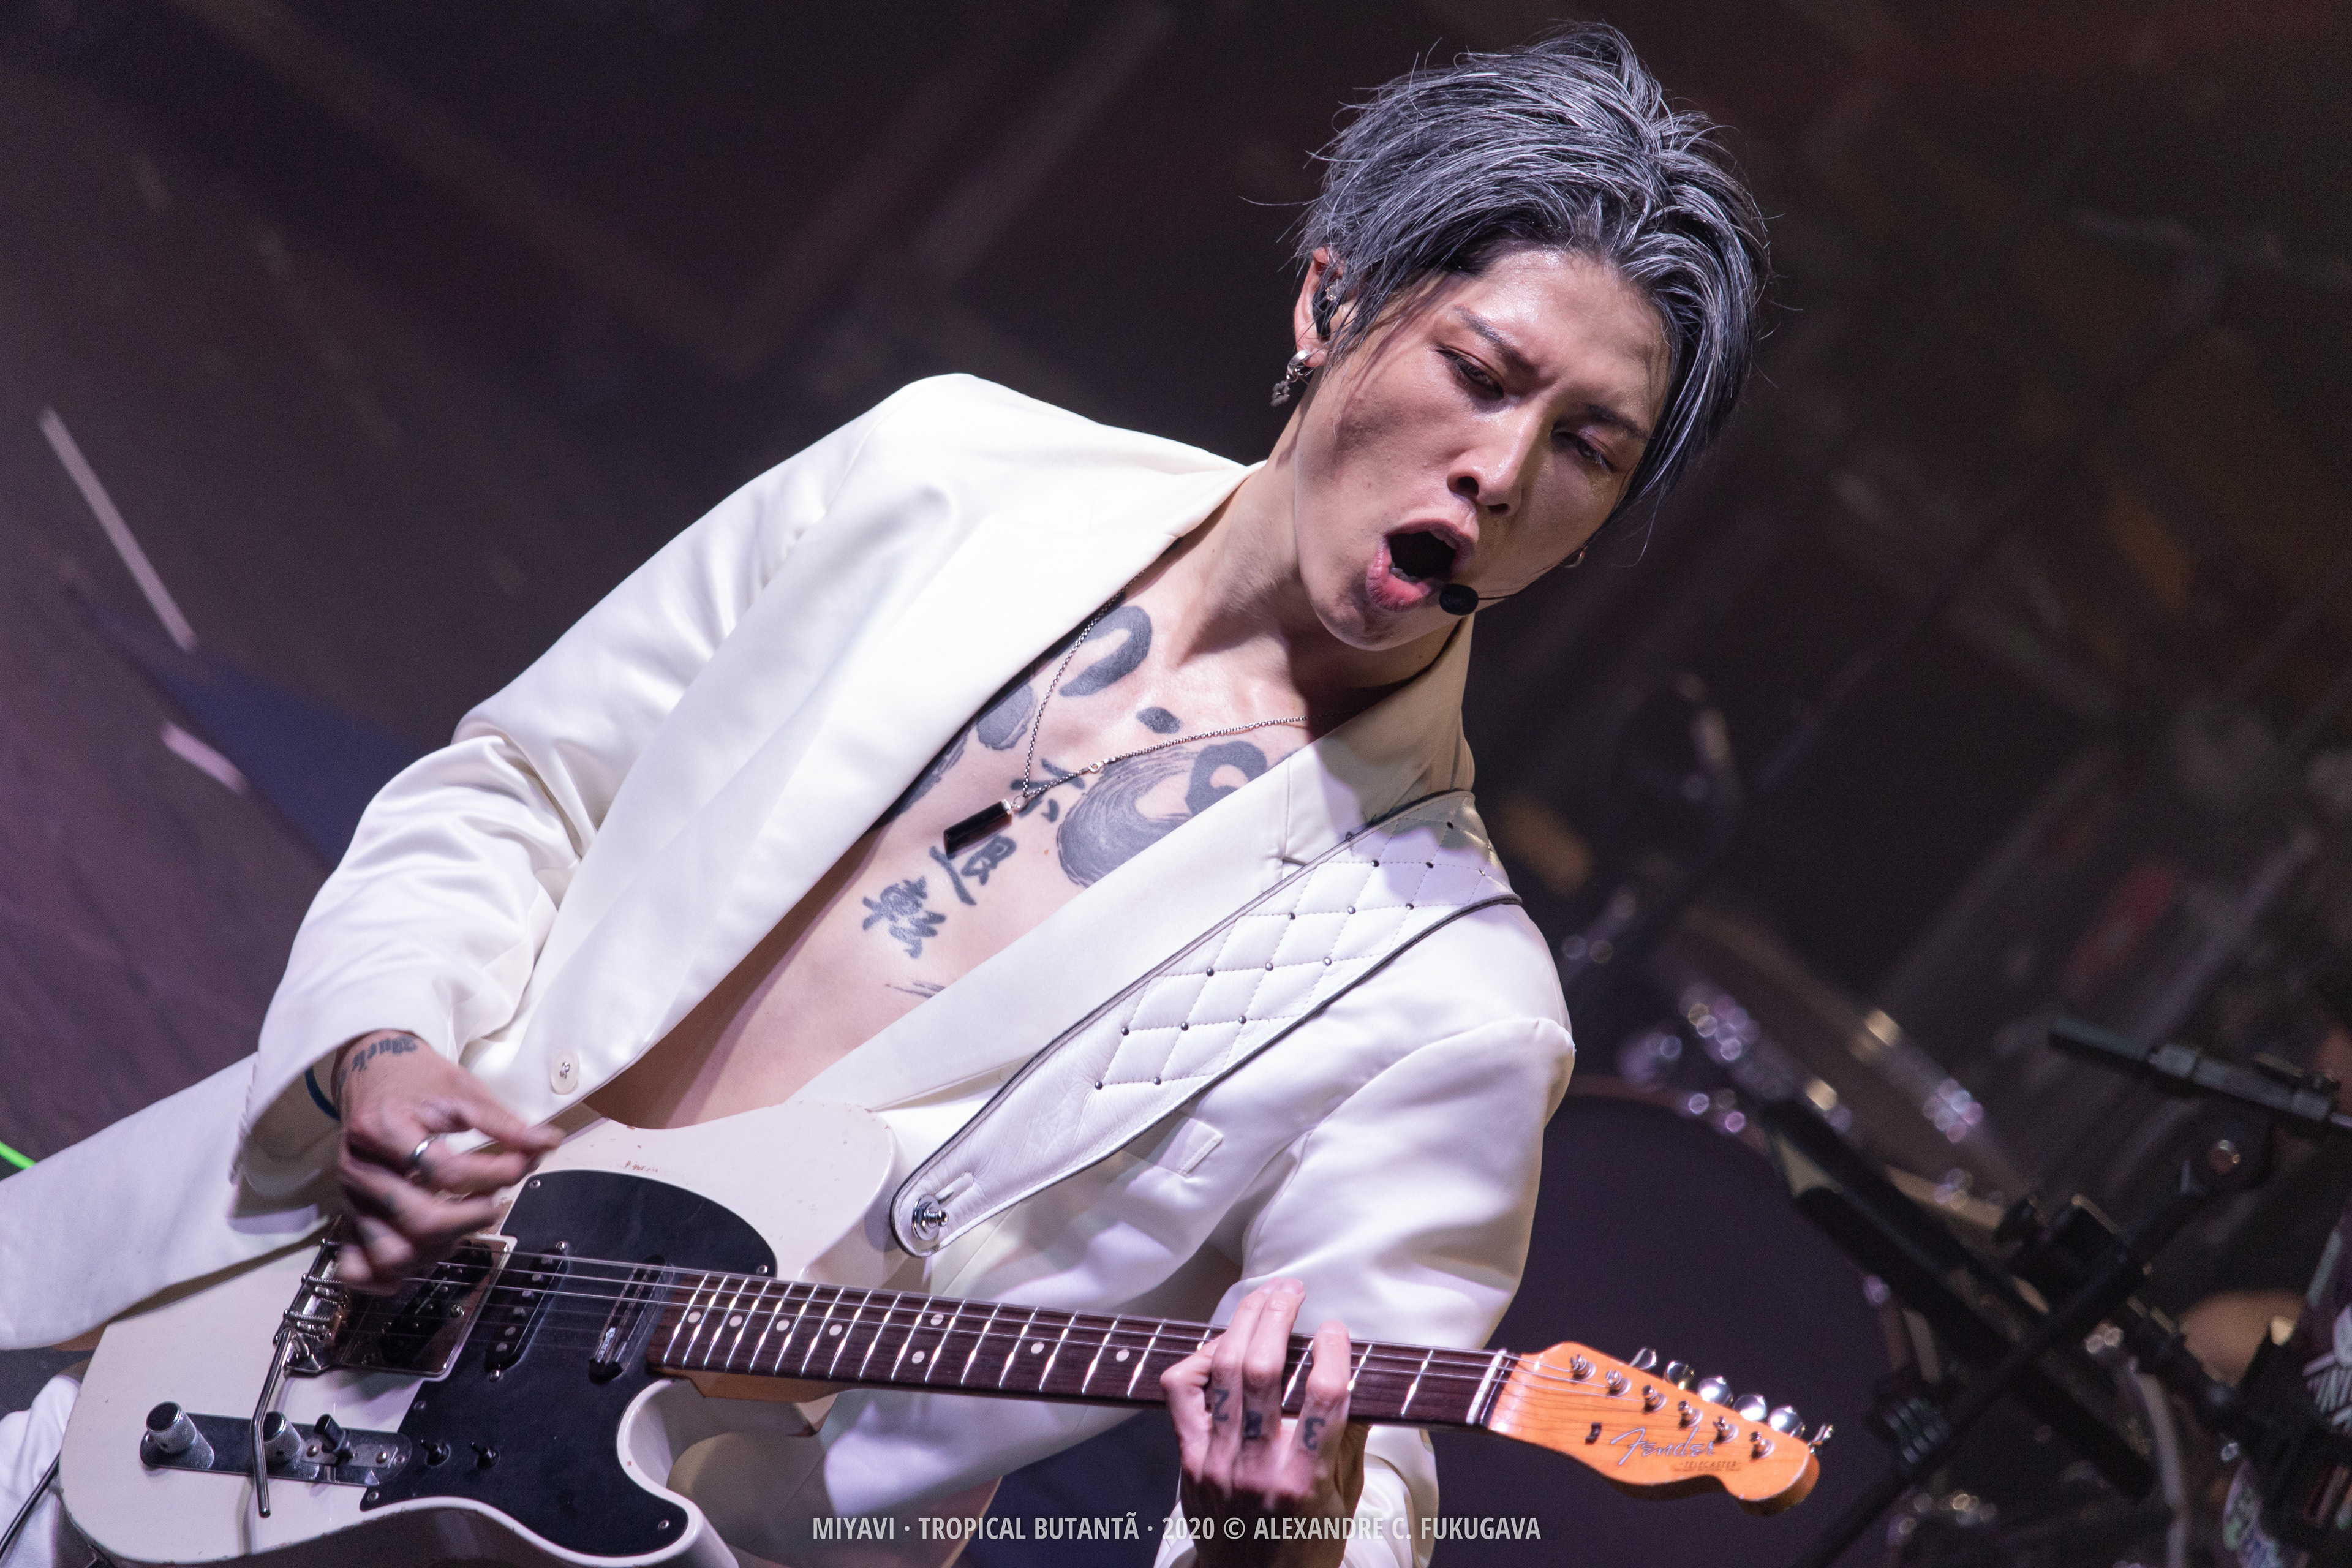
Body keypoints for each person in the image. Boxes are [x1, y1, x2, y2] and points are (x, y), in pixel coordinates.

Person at [0, 24, 1765, 1567]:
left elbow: (1374, 1498)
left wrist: (1275, 1532)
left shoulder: (1446, 996)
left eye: (1586, 448)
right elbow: (519, 785)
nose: (1501, 471)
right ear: (1332, 303)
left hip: (638, 1522)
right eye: (1480, 372)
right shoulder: (941, 476)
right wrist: (380, 1051)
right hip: (272, 1296)